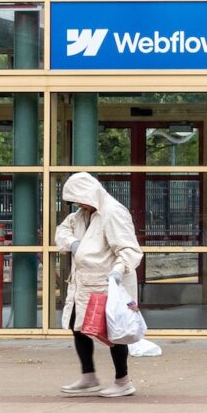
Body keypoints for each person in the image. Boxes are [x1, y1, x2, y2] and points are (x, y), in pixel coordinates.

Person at [55, 171, 142, 399]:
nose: (77, 204)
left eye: (79, 199)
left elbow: (129, 249)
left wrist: (118, 270)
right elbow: (62, 230)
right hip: (84, 283)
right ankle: (88, 376)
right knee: (77, 323)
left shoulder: (113, 213)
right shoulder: (83, 214)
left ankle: (123, 381)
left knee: (115, 330)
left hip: (107, 282)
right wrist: (73, 243)